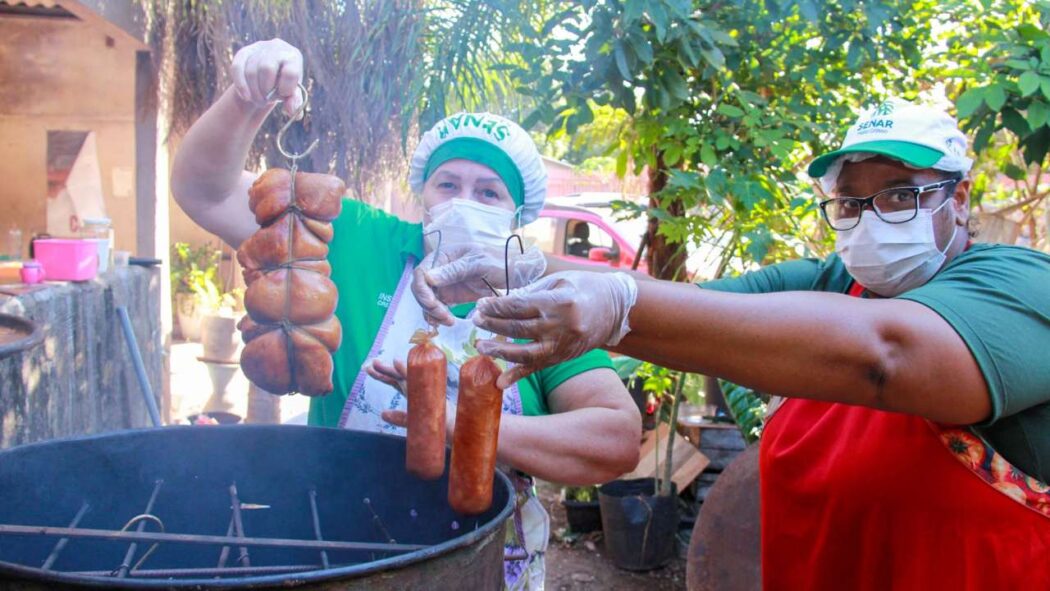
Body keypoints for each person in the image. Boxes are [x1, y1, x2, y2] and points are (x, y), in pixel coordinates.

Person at [418, 98, 1050, 589]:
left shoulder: (1020, 289)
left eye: (899, 195)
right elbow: (699, 309)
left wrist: (617, 307)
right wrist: (521, 267)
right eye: (853, 201)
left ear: (960, 198)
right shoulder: (833, 283)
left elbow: (887, 355)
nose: (872, 216)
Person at [170, 38, 641, 590]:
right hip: (342, 545)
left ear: (518, 214)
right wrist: (249, 98)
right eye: (448, 184)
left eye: (488, 192)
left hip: (482, 561)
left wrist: (456, 425)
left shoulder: (545, 300)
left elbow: (616, 439)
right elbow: (205, 191)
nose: (464, 200)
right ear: (424, 194)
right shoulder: (357, 240)